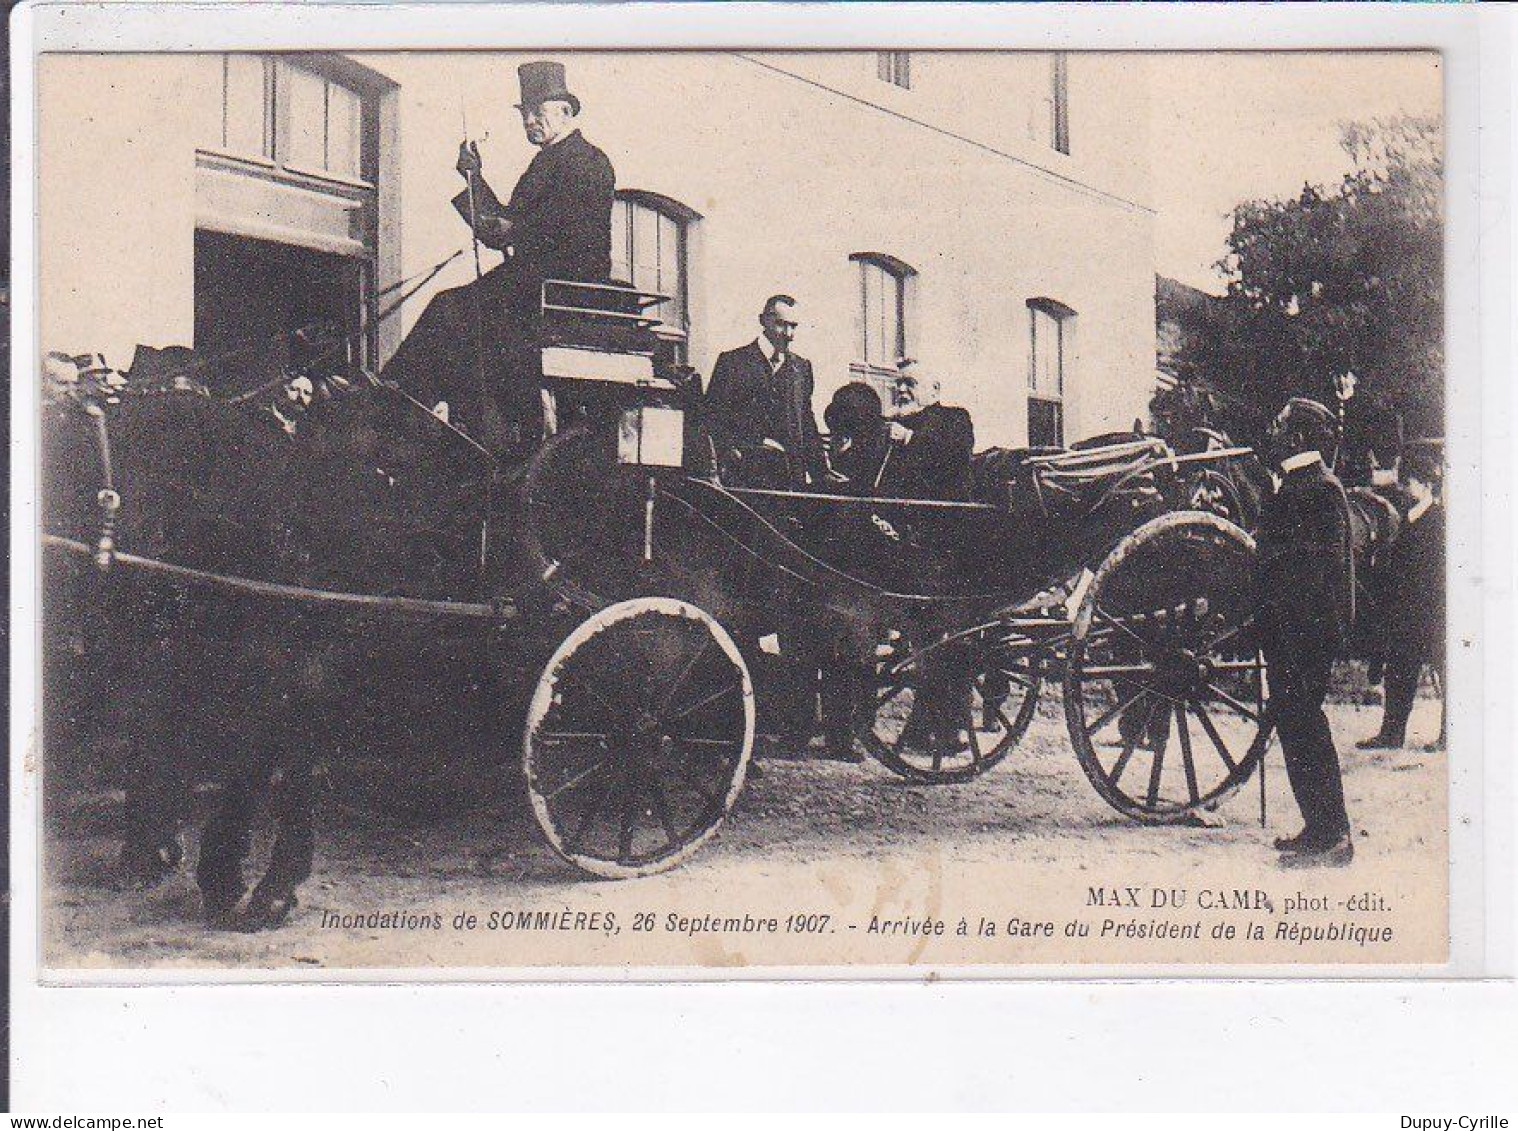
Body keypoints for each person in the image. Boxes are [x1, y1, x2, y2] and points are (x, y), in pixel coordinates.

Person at [381, 61, 615, 454]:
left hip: (560, 285)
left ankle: (395, 402)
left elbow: (537, 227)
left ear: (566, 112)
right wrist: (473, 179)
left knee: (449, 310)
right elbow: (502, 228)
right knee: (455, 314)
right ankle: (423, 408)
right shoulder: (553, 160)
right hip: (534, 279)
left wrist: (509, 222)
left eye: (538, 112)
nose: (529, 121)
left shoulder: (585, 161)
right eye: (525, 114)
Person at [1257, 398, 1358, 868]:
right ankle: (1316, 827)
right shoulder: (1298, 485)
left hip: (1305, 633)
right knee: (1295, 724)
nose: (1271, 432)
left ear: (1297, 439)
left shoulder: (1319, 489)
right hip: (1291, 632)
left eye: (1279, 426)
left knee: (1305, 724)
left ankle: (1334, 834)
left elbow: (1320, 571)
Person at [1358, 440, 1445, 751]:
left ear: (1423, 485)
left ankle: (1450, 735)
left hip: (1433, 610)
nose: (1405, 489)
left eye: (1409, 483)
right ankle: (1392, 733)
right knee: (1399, 672)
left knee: (1446, 672)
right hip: (1407, 610)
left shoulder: (1438, 520)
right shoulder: (1410, 517)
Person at [702, 295, 830, 489]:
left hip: (791, 481)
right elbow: (712, 419)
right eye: (781, 324)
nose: (788, 333)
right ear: (763, 320)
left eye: (793, 326)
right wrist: (731, 454)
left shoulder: (801, 368)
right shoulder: (733, 362)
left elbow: (807, 424)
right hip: (745, 479)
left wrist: (821, 474)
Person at [885, 359, 976, 502]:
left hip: (939, 512)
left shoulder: (954, 418)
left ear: (934, 389)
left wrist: (908, 437)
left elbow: (955, 457)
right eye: (898, 384)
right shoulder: (892, 421)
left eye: (910, 383)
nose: (901, 389)